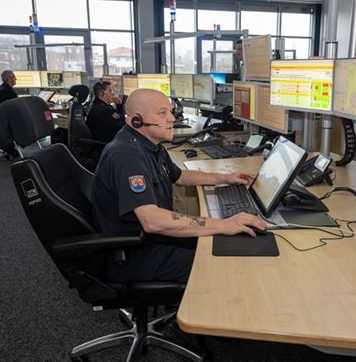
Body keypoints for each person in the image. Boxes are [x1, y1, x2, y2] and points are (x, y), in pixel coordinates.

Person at [90, 88, 266, 285]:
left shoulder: (149, 145)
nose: (172, 118)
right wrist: (223, 224)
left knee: (231, 244)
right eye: (162, 113)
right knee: (223, 265)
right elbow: (152, 221)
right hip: (133, 254)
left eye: (170, 111)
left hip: (154, 239)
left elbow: (180, 175)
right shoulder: (127, 156)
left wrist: (226, 178)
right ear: (136, 120)